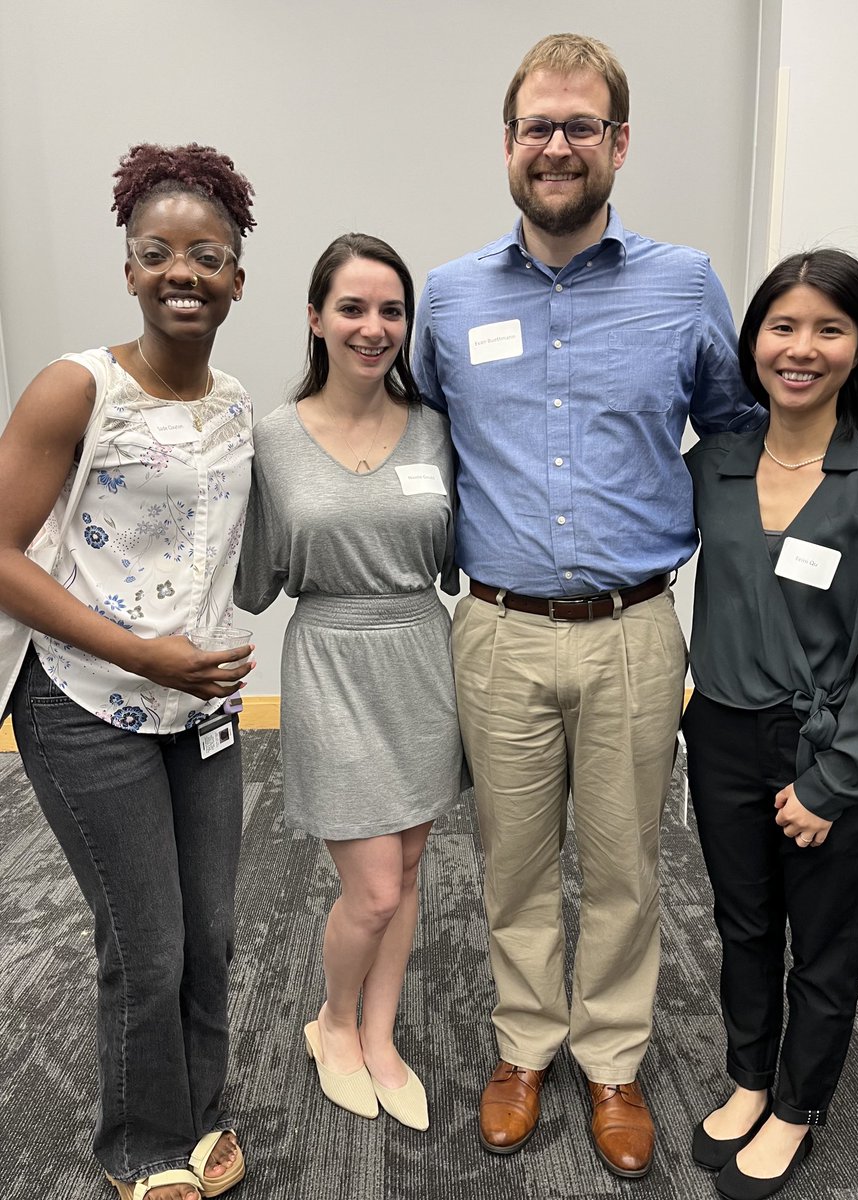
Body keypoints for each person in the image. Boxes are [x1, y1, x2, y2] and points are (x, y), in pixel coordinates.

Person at [412, 31, 763, 1177]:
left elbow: (738, 428)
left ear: (618, 142)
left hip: (633, 631)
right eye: (535, 128)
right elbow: (410, 438)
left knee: (623, 864)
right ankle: (525, 1046)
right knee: (510, 861)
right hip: (498, 631)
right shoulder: (452, 296)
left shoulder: (686, 282)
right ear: (507, 145)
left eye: (578, 126)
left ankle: (611, 1061)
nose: (555, 147)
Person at [0, 143, 257, 1200]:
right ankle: (139, 1147)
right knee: (144, 948)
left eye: (208, 255)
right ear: (130, 267)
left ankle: (199, 1118)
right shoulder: (77, 389)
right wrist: (141, 654)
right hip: (83, 700)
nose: (182, 273)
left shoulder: (237, 405)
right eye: (159, 254)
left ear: (240, 274)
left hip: (199, 712)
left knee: (212, 934)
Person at [682, 249, 858, 1200]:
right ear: (754, 343)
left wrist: (836, 777)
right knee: (742, 923)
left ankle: (796, 1106)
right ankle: (748, 1077)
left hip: (826, 744)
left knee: (824, 940)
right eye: (783, 326)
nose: (802, 347)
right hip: (722, 735)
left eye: (829, 328)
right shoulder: (717, 464)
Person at [234, 232, 463, 1133]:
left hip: (421, 656)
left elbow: (455, 558)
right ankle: (330, 1022)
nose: (374, 328)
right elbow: (250, 577)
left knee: (408, 871)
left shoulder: (438, 431)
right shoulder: (273, 441)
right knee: (370, 888)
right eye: (353, 308)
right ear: (316, 319)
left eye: (391, 310)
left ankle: (380, 1034)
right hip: (330, 660)